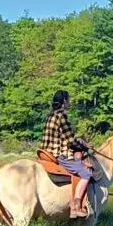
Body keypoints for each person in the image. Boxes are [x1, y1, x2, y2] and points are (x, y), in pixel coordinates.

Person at [40, 90, 93, 218]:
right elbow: (71, 140)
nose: (70, 102)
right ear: (64, 101)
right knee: (86, 173)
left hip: (46, 152)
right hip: (59, 154)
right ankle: (76, 206)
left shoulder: (51, 115)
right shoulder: (61, 115)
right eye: (68, 99)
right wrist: (85, 146)